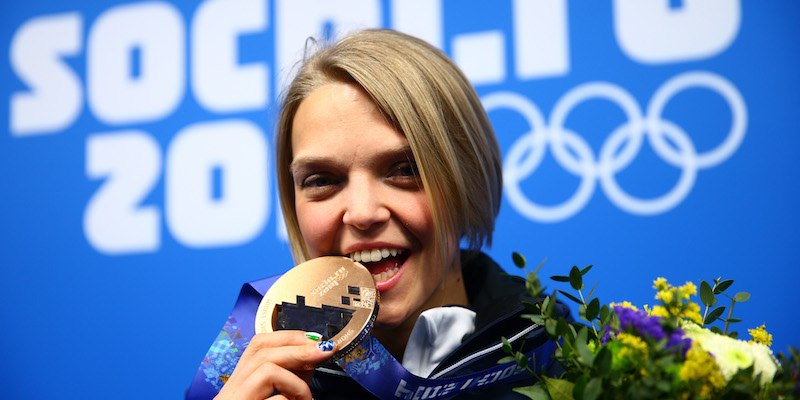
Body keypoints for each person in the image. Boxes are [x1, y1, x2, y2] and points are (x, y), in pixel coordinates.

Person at [201, 29, 565, 400]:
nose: (361, 213)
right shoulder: (246, 385)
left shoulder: (568, 362)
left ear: (465, 180)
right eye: (322, 179)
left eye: (404, 169)